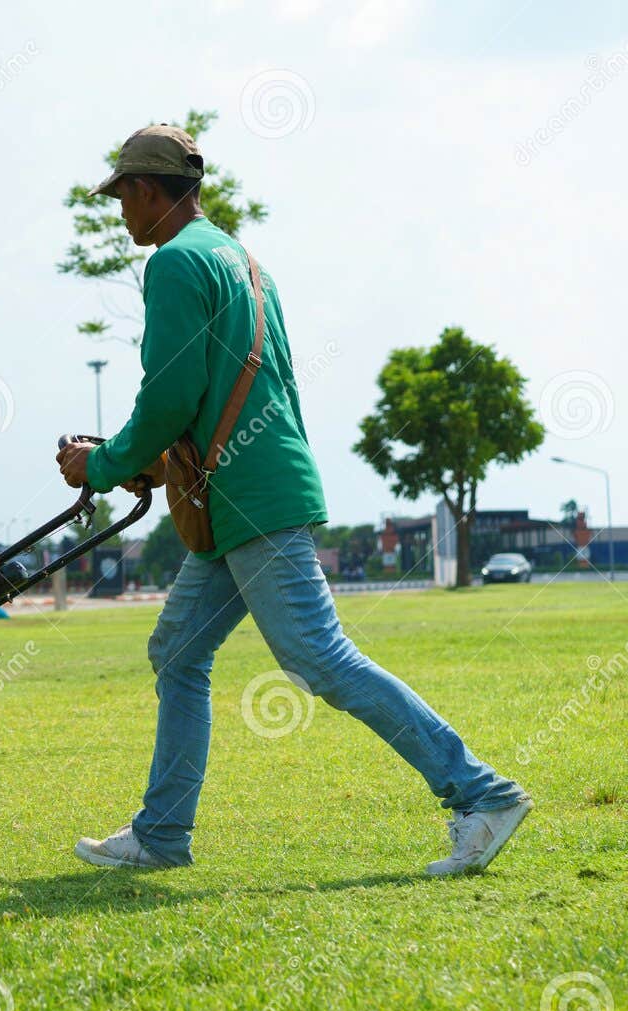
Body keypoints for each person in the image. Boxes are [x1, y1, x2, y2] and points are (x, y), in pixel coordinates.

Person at [55, 124, 530, 877]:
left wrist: (105, 462)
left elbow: (171, 391)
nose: (119, 214)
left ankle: (484, 793)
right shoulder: (244, 260)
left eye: (121, 197)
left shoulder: (175, 265)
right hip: (257, 484)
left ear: (148, 191)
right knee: (177, 651)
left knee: (319, 658)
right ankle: (162, 833)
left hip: (249, 498)